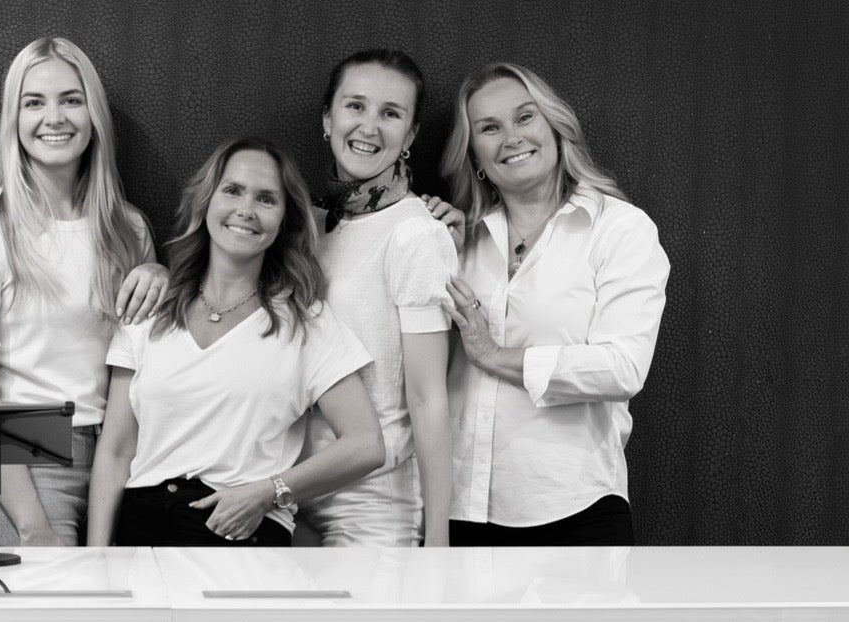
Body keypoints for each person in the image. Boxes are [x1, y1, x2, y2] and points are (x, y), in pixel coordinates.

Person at [87, 137, 385, 547]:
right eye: (232, 190)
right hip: (141, 530)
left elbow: (366, 445)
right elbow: (116, 451)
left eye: (266, 199)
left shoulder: (306, 321)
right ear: (206, 201)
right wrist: (97, 558)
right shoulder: (150, 308)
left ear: (284, 219)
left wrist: (270, 492)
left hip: (239, 530)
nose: (246, 209)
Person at [0, 37, 163, 547]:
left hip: (117, 460)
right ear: (13, 120)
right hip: (19, 467)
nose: (54, 117)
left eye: (71, 100)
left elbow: (139, 360)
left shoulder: (128, 230)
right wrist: (33, 526)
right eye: (34, 102)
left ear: (93, 114)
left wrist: (161, 276)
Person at [440, 62, 670, 546]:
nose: (512, 138)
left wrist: (494, 354)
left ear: (555, 127)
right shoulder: (458, 240)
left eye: (525, 117)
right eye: (489, 128)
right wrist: (437, 245)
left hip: (574, 506)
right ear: (475, 155)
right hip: (458, 509)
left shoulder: (619, 229)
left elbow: (623, 367)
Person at [303, 48, 458, 548]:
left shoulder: (416, 233)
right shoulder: (307, 225)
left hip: (371, 499)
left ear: (409, 136)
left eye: (390, 113)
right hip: (290, 487)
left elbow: (429, 398)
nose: (369, 126)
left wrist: (438, 540)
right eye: (355, 106)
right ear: (328, 119)